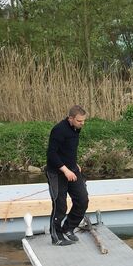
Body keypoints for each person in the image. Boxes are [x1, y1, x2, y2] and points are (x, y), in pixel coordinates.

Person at [46, 105, 89, 246]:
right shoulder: (59, 130)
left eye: (84, 120)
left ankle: (68, 228)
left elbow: (68, 149)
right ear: (70, 118)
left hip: (72, 169)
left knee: (82, 200)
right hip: (57, 172)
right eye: (79, 121)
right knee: (60, 206)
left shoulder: (76, 128)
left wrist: (74, 164)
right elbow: (52, 154)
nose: (82, 123)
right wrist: (65, 170)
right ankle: (56, 237)